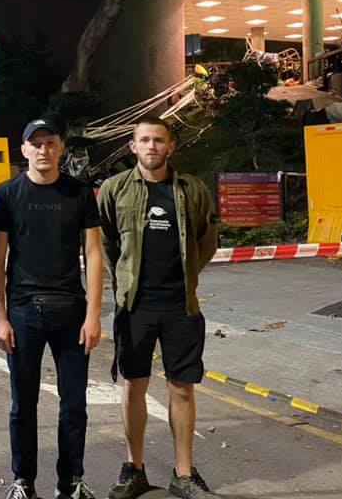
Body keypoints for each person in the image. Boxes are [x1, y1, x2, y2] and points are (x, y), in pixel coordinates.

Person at [96, 116, 219, 499]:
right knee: (134, 385)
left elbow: (207, 240)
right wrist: (125, 280)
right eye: (145, 140)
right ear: (133, 146)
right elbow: (105, 242)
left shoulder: (192, 190)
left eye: (159, 140)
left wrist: (186, 276)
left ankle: (184, 474)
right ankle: (134, 469)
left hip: (181, 306)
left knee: (182, 388)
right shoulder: (115, 189)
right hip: (135, 307)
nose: (152, 146)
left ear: (171, 146)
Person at [0, 118, 105, 499]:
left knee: (75, 405)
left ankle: (71, 482)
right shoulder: (7, 194)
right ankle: (23, 481)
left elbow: (94, 254)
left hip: (71, 310)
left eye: (50, 143)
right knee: (23, 405)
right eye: (35, 144)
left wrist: (94, 314)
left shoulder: (79, 193)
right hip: (23, 313)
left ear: (60, 148)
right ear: (23, 149)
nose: (43, 150)